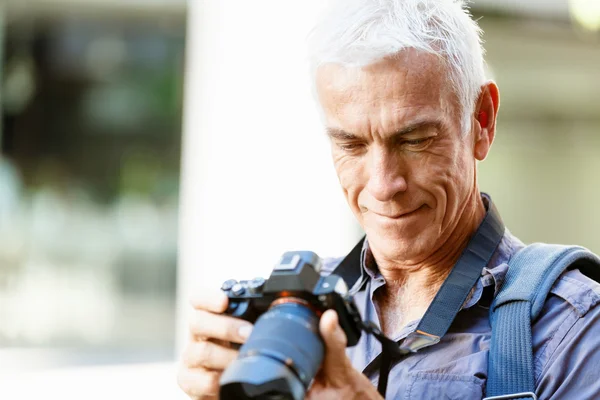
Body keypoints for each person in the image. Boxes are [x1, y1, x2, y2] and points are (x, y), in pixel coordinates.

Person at [177, 0, 600, 399]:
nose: (383, 185)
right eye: (351, 145)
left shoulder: (573, 328)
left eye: (414, 140)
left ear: (482, 120)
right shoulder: (289, 319)